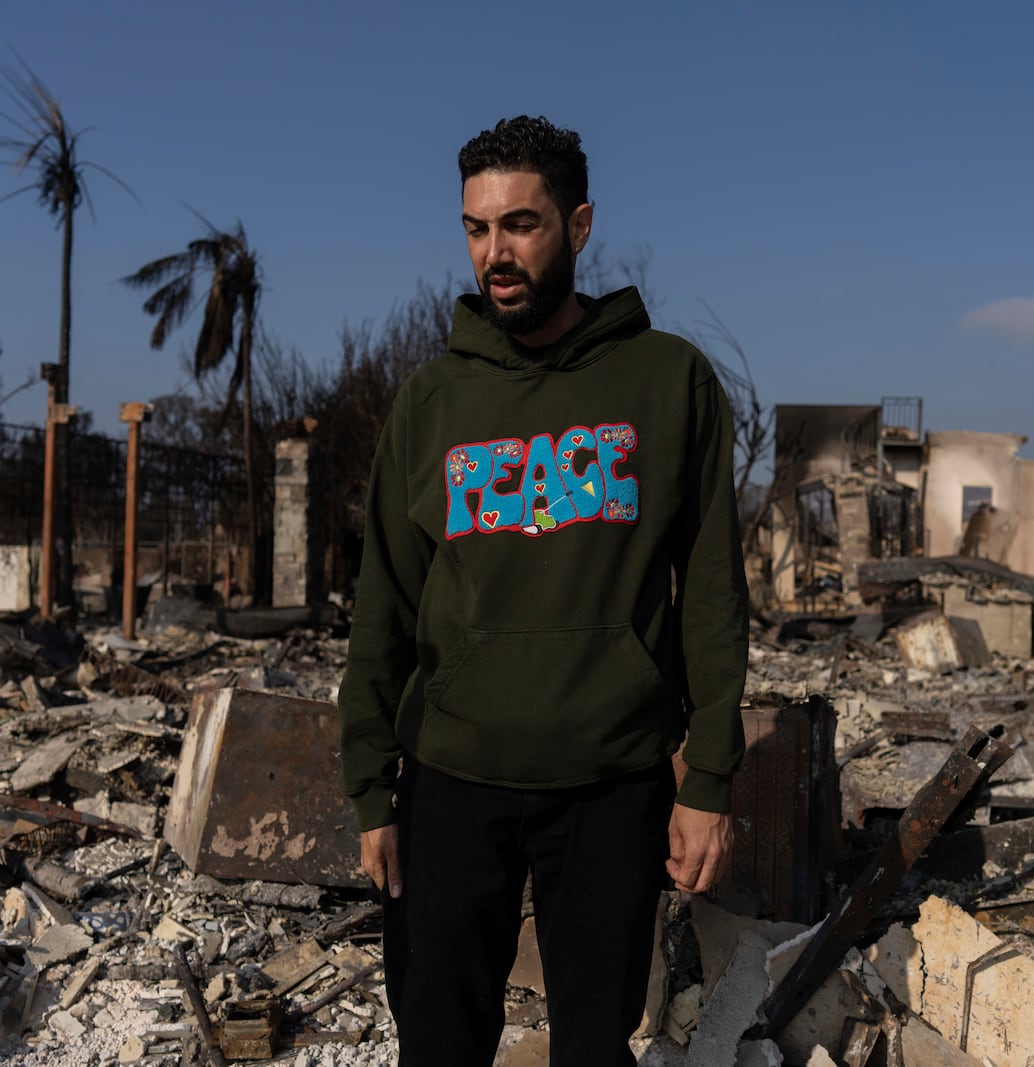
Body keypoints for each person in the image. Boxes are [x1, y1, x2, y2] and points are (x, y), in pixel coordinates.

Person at [338, 114, 749, 1067]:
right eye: (478, 229)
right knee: (437, 1043)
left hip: (610, 779)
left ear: (580, 223)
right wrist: (370, 788)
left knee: (595, 1049)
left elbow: (713, 596)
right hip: (449, 778)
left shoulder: (668, 383)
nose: (497, 254)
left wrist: (712, 776)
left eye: (521, 224)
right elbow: (384, 606)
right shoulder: (432, 401)